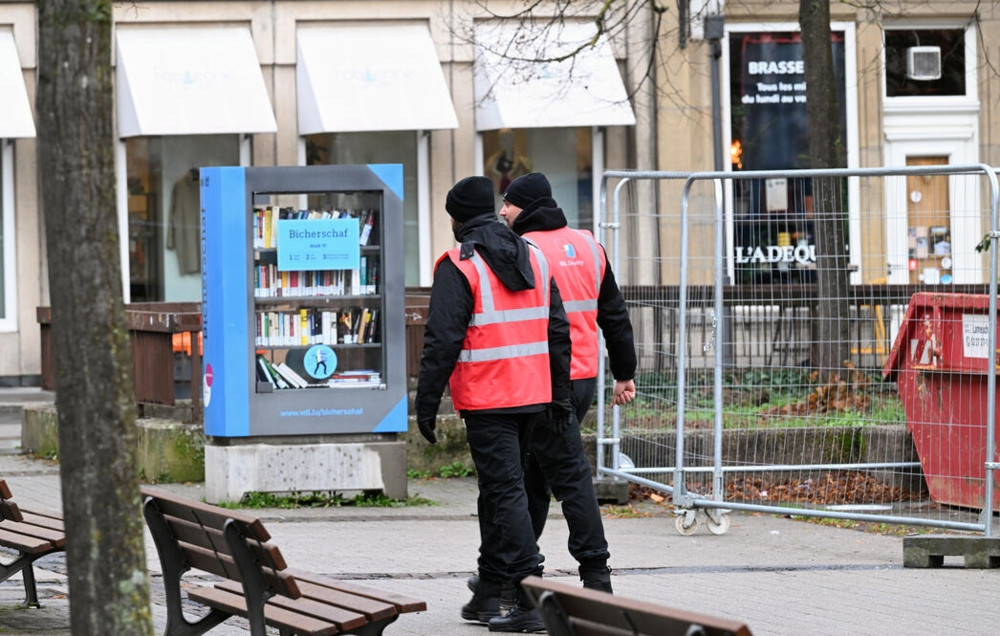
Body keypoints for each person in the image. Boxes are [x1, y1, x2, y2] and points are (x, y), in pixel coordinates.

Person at [415, 175, 573, 633]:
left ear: (456, 218)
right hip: (533, 395)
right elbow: (558, 330)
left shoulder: (459, 265)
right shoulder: (535, 256)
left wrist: (426, 402)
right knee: (499, 493)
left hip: (488, 399)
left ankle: (529, 596)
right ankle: (489, 591)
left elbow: (442, 340)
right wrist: (559, 395)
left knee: (504, 493)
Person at [500, 171, 638, 593]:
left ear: (526, 206)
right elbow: (614, 314)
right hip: (583, 381)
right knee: (537, 474)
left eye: (508, 203)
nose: (502, 211)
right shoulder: (589, 245)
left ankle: (590, 574)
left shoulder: (525, 249)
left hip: (544, 382)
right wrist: (624, 373)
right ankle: (509, 572)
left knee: (564, 476)